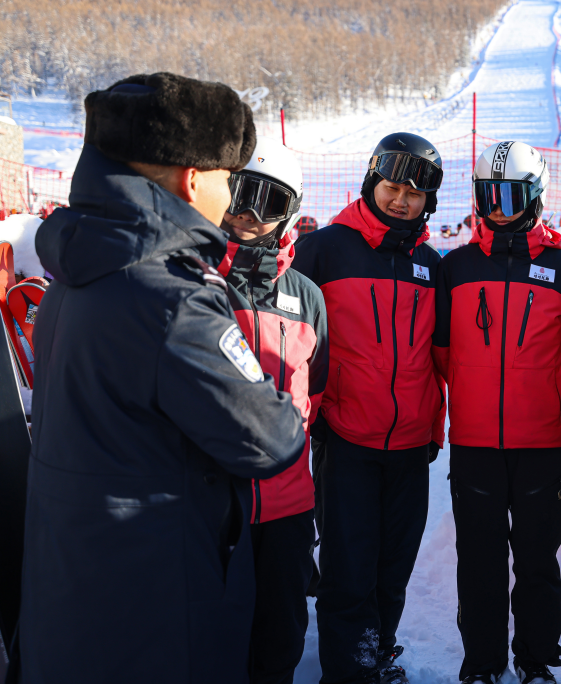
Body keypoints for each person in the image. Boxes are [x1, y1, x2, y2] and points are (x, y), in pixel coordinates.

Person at [20, 73, 306, 683]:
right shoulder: (175, 298)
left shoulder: (78, 267)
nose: (233, 200)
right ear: (193, 179)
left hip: (75, 598)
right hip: (157, 611)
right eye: (230, 179)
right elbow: (271, 438)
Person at [432, 141, 561, 684]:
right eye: (489, 196)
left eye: (511, 196)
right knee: (479, 561)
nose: (499, 208)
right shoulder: (455, 268)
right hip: (475, 443)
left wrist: (534, 390)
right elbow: (441, 351)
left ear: (536, 196)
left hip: (539, 445)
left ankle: (535, 659)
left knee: (536, 561)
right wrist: (478, 389)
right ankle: (482, 663)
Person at [291, 132, 445, 684]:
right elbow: (294, 336)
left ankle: (376, 652)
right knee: (349, 563)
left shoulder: (430, 263)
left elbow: (439, 353)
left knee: (393, 563)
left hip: (410, 442)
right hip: (347, 436)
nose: (402, 201)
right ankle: (347, 669)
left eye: (415, 194)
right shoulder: (325, 248)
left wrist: (434, 427)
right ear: (371, 182)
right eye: (392, 188)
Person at [218, 138, 328, 684]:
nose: (250, 213)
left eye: (271, 202)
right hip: (217, 504)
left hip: (288, 506)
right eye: (242, 193)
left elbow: (316, 392)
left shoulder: (307, 296)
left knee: (279, 635)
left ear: (290, 213)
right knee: (218, 637)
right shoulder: (197, 278)